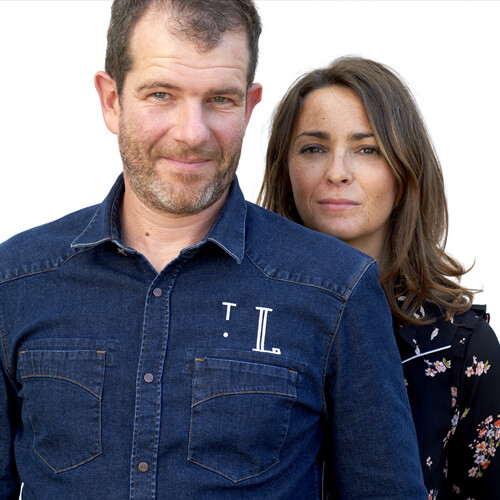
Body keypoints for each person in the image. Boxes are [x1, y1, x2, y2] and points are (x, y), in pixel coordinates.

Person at [0, 1, 428, 498]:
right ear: (112, 100)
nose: (192, 133)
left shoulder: (336, 289)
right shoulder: (15, 282)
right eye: (161, 94)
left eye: (220, 99)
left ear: (249, 106)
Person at [259, 55, 500, 499]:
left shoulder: (465, 347)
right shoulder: (245, 317)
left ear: (405, 169)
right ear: (284, 168)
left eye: (367, 149)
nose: (337, 172)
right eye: (313, 148)